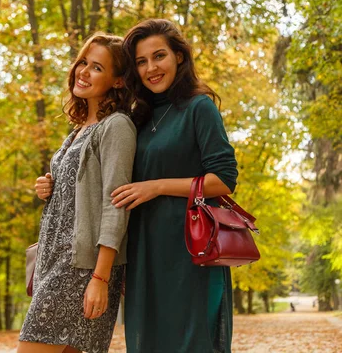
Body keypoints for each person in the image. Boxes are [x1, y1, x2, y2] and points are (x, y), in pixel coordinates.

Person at [110, 19, 238, 353]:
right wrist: (53, 179)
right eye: (141, 61)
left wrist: (157, 186)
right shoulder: (138, 118)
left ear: (179, 57)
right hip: (143, 252)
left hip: (191, 250)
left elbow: (223, 179)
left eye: (159, 56)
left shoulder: (200, 108)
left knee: (192, 342)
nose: (151, 68)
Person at [18, 33, 136, 353]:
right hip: (54, 261)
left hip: (82, 270)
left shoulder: (116, 127)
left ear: (118, 82)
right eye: (83, 62)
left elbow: (115, 204)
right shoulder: (79, 128)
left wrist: (100, 278)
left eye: (97, 67)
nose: (83, 71)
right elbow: (80, 195)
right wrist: (51, 187)